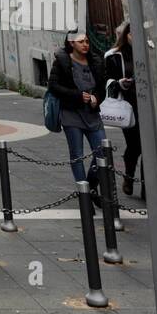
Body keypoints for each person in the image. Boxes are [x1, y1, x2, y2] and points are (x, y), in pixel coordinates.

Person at [48, 29, 107, 209]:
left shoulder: (95, 61)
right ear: (71, 43)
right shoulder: (63, 62)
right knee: (77, 155)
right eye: (81, 41)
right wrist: (77, 96)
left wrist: (97, 97)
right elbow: (53, 86)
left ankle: (90, 187)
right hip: (71, 114)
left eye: (87, 41)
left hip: (92, 114)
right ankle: (84, 196)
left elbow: (101, 86)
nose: (86, 45)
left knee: (102, 153)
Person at [105, 20, 140, 195]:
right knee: (135, 145)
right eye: (132, 34)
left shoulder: (148, 51)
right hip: (129, 106)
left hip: (149, 107)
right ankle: (129, 176)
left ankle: (148, 188)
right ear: (126, 35)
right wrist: (121, 83)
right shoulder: (114, 55)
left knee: (150, 148)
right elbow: (108, 81)